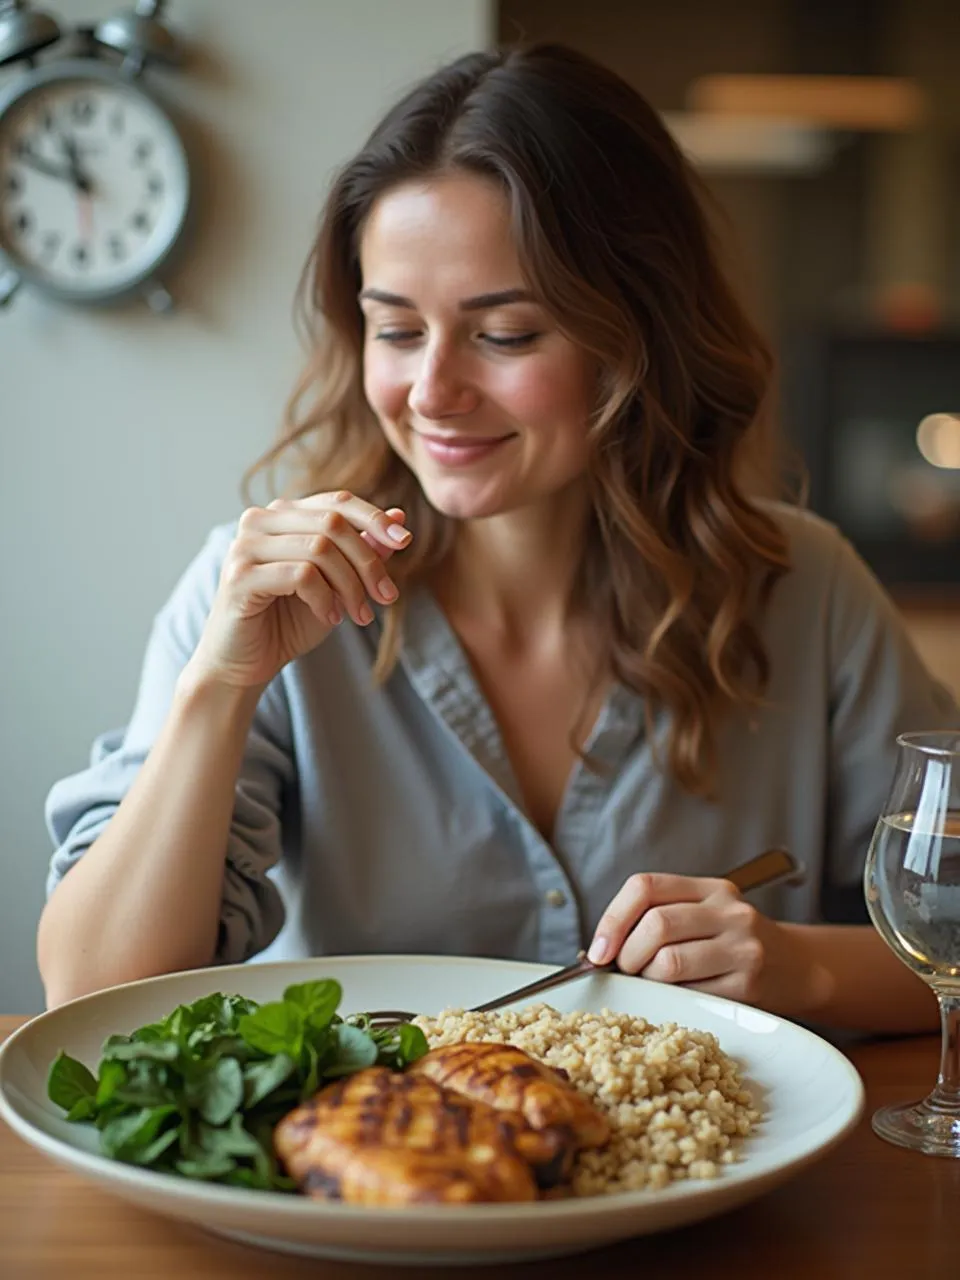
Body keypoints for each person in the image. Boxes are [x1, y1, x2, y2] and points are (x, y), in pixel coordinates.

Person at [38, 44, 956, 1030]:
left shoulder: (808, 591)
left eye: (506, 333)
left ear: (637, 334)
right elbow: (93, 997)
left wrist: (800, 967)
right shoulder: (257, 594)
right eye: (395, 329)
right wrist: (218, 690)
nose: (433, 392)